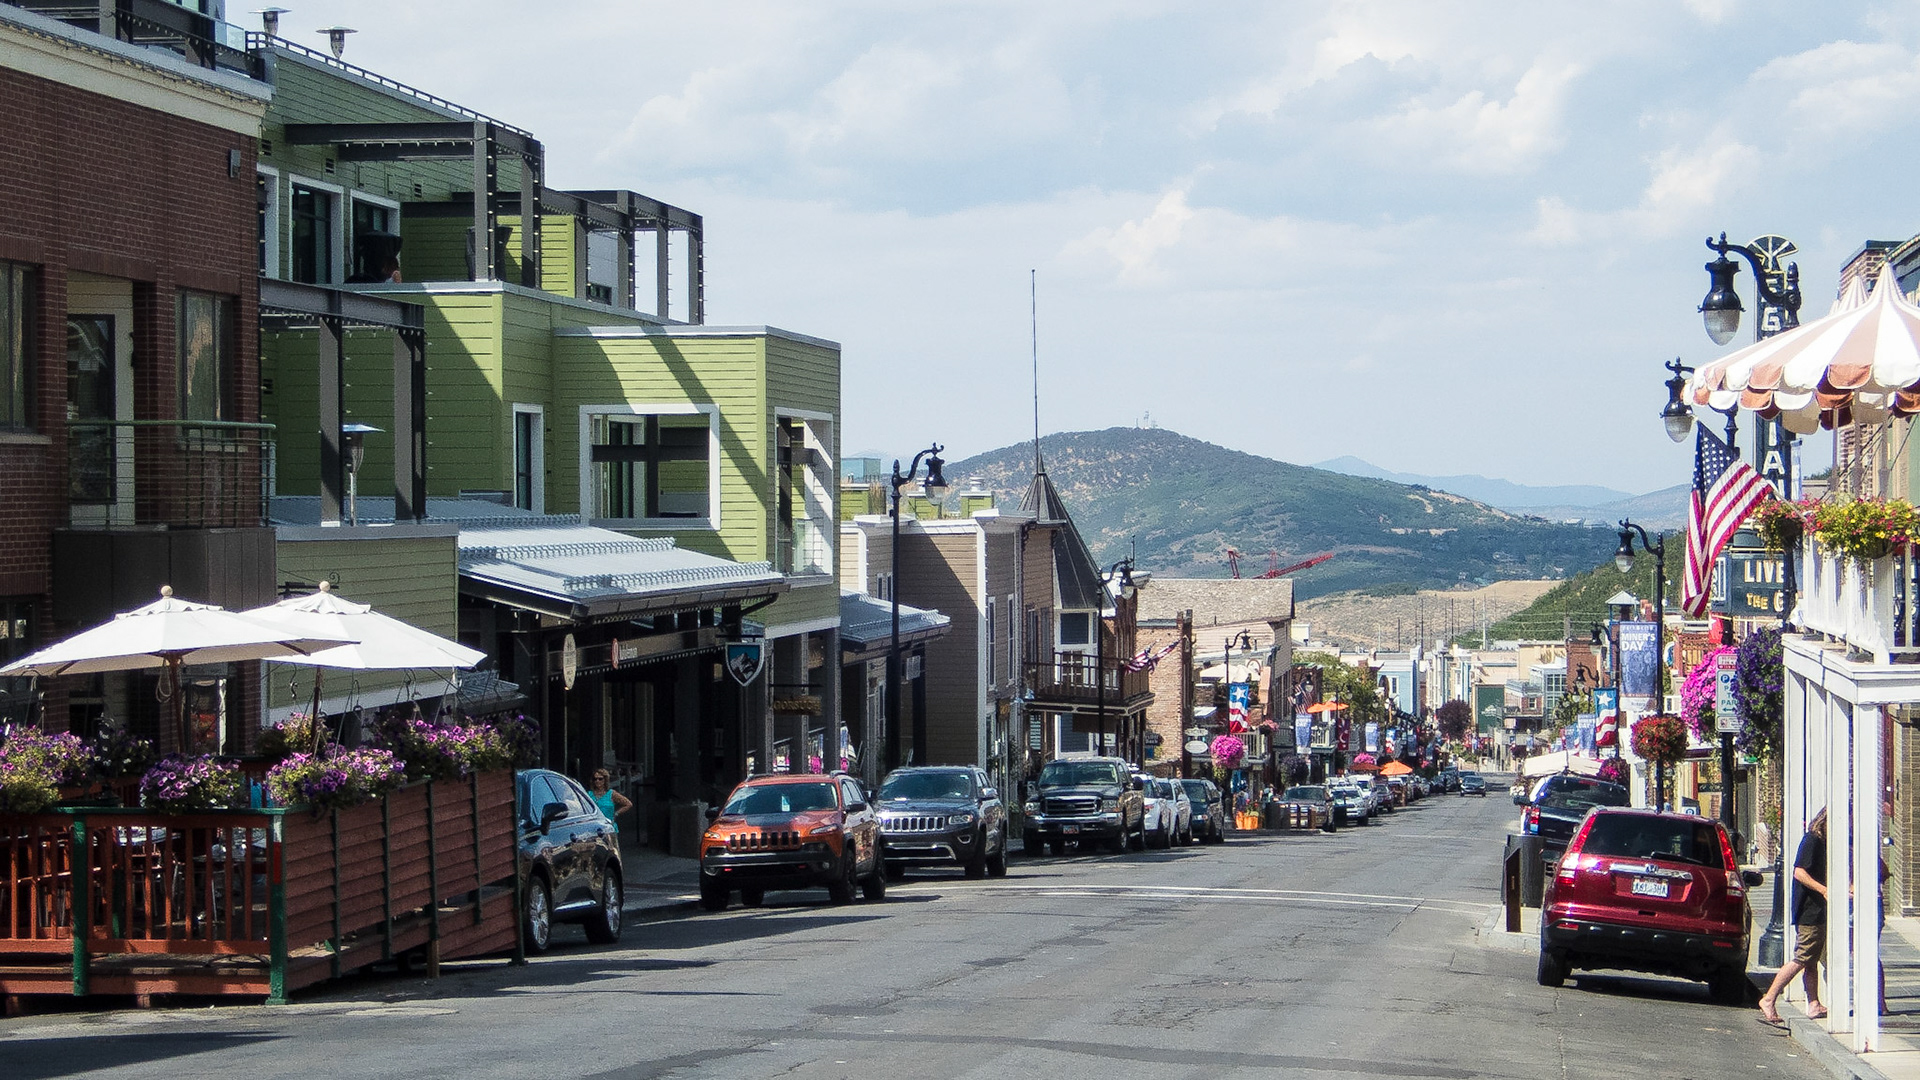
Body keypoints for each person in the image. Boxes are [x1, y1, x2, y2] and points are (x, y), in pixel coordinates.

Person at [1760, 808, 1830, 1025]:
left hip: (1815, 909)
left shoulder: (1821, 842)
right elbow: (1799, 872)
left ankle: (1814, 1003)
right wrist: (1824, 890)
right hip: (1810, 909)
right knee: (1803, 956)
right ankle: (1769, 998)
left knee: (1812, 960)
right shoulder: (1813, 841)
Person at [587, 768, 633, 843]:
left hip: (608, 826)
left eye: (600, 779)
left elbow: (628, 804)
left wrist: (616, 814)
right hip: (593, 828)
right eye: (595, 779)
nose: (597, 781)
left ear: (605, 780)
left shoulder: (611, 794)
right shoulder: (589, 794)